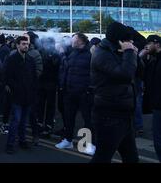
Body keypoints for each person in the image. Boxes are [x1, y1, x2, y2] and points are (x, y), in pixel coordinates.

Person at [90, 22, 139, 163]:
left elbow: (139, 71)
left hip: (124, 114)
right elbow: (125, 75)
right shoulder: (102, 54)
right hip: (109, 116)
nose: (131, 42)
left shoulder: (118, 51)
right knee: (102, 157)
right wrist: (129, 53)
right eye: (127, 39)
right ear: (118, 39)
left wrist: (134, 53)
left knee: (131, 158)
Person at [55, 33, 95, 155]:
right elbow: (66, 67)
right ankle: (68, 140)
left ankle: (89, 144)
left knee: (87, 119)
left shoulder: (90, 54)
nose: (71, 41)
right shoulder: (73, 53)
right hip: (70, 91)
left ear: (80, 41)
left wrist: (89, 89)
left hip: (84, 93)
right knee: (68, 117)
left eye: (74, 39)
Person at [2, 36, 37, 154]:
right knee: (16, 120)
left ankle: (22, 141)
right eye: (23, 44)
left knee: (23, 121)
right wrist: (14, 88)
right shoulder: (12, 59)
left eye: (27, 44)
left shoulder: (31, 60)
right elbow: (6, 76)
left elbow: (34, 77)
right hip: (17, 96)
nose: (25, 46)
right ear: (17, 45)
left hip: (28, 96)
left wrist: (32, 92)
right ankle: (10, 144)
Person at [36, 37, 60, 138]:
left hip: (50, 83)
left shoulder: (54, 53)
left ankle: (47, 127)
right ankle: (41, 125)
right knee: (41, 105)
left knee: (49, 106)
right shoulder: (42, 52)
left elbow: (56, 65)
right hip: (44, 83)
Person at [142, 34, 161, 161]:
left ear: (157, 44)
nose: (146, 46)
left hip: (159, 105)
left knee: (158, 139)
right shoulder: (153, 59)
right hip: (156, 104)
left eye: (149, 43)